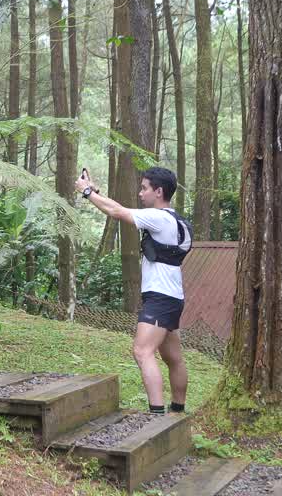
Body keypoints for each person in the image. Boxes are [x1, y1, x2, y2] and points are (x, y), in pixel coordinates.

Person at [74, 166, 191, 415]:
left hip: (159, 297)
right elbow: (121, 209)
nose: (140, 193)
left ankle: (156, 416)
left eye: (144, 188)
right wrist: (95, 192)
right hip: (173, 297)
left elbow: (117, 212)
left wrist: (86, 192)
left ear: (158, 192)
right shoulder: (176, 220)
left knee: (142, 351)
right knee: (174, 358)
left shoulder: (158, 218)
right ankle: (178, 411)